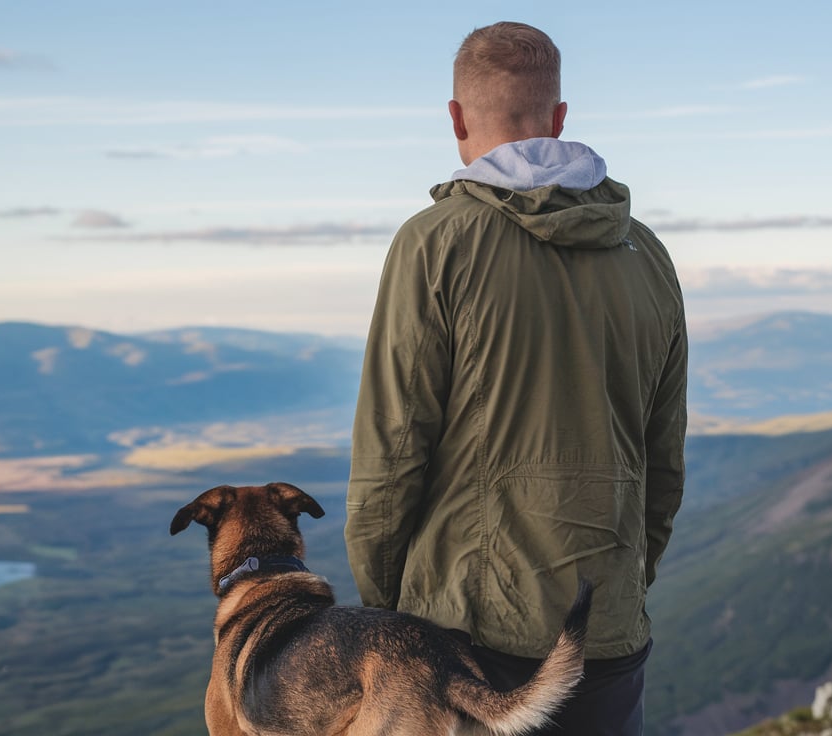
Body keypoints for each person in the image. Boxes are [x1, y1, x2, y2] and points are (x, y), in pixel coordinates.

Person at [344, 21, 687, 735]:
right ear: (559, 118)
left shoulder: (435, 244)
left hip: (465, 643)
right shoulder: (646, 253)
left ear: (456, 118)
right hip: (607, 636)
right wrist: (622, 580)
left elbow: (391, 452)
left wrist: (389, 609)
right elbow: (663, 459)